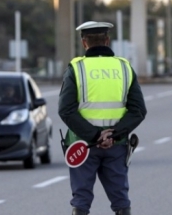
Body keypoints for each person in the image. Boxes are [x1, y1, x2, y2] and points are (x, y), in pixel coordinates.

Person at [58, 21, 147, 215]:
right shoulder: (124, 68)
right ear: (107, 41)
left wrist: (95, 136)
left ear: (84, 43)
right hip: (116, 144)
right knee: (121, 201)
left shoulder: (76, 69)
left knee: (81, 201)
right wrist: (113, 135)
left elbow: (66, 110)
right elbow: (138, 110)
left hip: (83, 145)